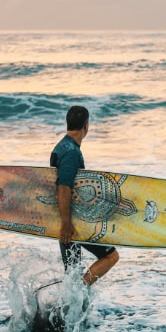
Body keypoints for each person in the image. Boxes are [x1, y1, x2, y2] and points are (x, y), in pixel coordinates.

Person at [50, 105, 119, 286]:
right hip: (73, 223)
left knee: (72, 271)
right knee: (111, 256)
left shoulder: (62, 146)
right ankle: (79, 291)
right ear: (86, 126)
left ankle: (69, 304)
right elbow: (64, 186)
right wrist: (66, 224)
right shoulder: (71, 152)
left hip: (66, 220)